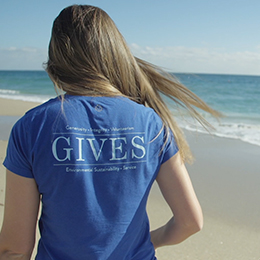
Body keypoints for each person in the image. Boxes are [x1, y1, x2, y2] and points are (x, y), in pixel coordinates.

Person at [0, 5, 219, 260]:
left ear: (56, 59)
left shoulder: (32, 127)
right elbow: (191, 222)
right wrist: (147, 242)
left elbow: (14, 249)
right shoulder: (151, 124)